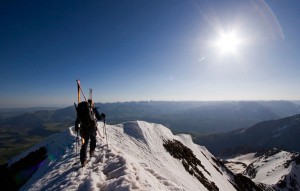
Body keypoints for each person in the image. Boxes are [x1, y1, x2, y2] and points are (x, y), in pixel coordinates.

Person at [75, 99, 105, 166]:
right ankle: (91, 152)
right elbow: (99, 118)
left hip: (83, 129)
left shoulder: (81, 110)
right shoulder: (92, 108)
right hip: (92, 128)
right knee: (93, 139)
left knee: (84, 144)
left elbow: (78, 119)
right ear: (92, 103)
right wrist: (103, 116)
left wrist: (76, 127)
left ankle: (83, 161)